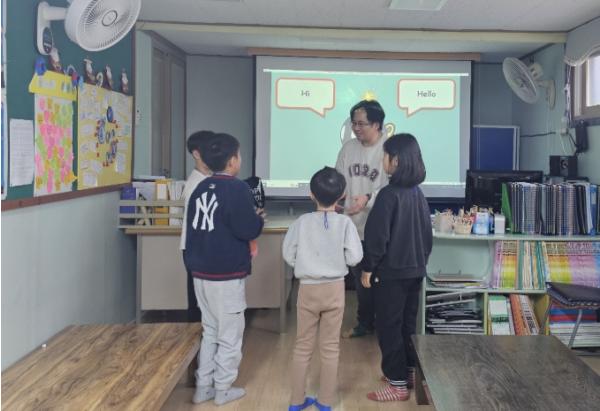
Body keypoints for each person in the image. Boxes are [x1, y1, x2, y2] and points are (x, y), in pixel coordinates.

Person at [184, 132, 264, 406]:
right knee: (230, 335)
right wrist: (258, 221)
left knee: (210, 331)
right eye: (239, 155)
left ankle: (203, 387)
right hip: (226, 274)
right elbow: (247, 229)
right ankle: (223, 389)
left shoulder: (200, 188)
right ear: (232, 161)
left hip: (200, 272)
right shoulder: (237, 189)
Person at [283, 167, 363, 411]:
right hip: (335, 289)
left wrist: (305, 265)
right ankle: (325, 401)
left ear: (311, 194)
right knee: (330, 348)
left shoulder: (301, 222)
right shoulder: (345, 223)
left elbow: (288, 253)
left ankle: (296, 401)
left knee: (302, 346)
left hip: (308, 289)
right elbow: (355, 257)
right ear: (342, 195)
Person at [361, 134, 433, 402]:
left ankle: (397, 385)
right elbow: (427, 236)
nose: (383, 160)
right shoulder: (418, 194)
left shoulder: (388, 195)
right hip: (415, 271)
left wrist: (368, 268)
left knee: (388, 327)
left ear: (396, 161)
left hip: (391, 273)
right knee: (407, 325)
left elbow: (377, 238)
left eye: (385, 155)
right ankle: (408, 372)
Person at [335, 99, 389, 338]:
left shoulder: (389, 150)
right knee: (360, 282)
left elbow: (391, 190)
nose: (356, 128)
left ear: (376, 124)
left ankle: (384, 326)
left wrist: (367, 198)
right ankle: (364, 323)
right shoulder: (348, 148)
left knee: (382, 281)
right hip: (353, 228)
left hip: (381, 229)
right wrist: (334, 200)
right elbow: (339, 180)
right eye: (353, 123)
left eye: (361, 124)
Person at [180, 130, 214, 322]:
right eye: (210, 149)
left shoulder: (207, 180)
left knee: (205, 300)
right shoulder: (196, 184)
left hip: (202, 246)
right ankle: (195, 336)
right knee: (199, 301)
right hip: (197, 247)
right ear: (196, 154)